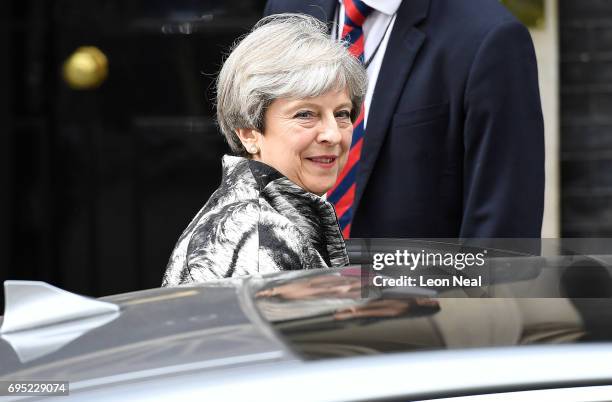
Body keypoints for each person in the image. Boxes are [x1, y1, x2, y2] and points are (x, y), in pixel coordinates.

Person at [264, 0, 545, 238]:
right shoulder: (287, 10)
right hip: (286, 292)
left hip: (421, 296)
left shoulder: (488, 36)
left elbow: (502, 231)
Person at [162, 14, 367, 286]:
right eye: (305, 114)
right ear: (248, 133)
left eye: (342, 113)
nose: (332, 134)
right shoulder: (261, 238)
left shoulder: (266, 215)